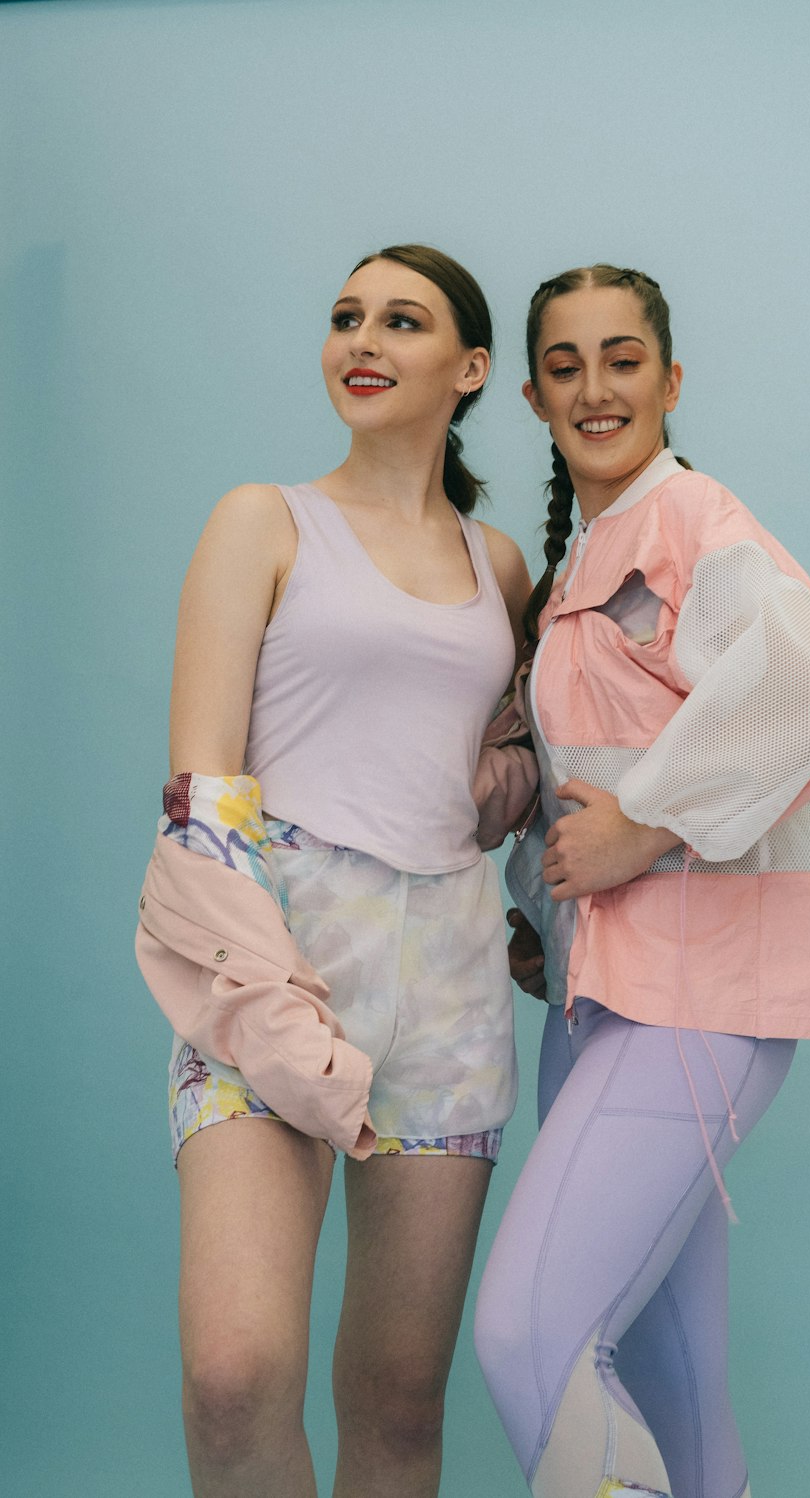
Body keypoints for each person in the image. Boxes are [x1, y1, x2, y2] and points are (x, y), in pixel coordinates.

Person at [135, 244, 535, 1498]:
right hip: (273, 957)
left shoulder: (501, 566)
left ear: (468, 369)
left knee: (401, 1406)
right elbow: (204, 795)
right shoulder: (264, 517)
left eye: (401, 322)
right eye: (345, 316)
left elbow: (490, 785)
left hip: (451, 990)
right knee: (235, 1376)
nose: (361, 339)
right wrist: (271, 997)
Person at [474, 264, 810, 1498]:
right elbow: (585, 761)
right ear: (534, 393)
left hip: (698, 998)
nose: (597, 387)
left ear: (670, 380)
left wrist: (642, 825)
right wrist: (541, 915)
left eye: (623, 358)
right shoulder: (588, 552)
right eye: (569, 364)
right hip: (601, 998)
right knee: (671, 1382)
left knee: (532, 1336)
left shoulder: (697, 522)